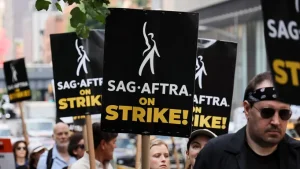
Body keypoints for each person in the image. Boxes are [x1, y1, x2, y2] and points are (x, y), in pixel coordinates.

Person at [193, 71, 300, 169]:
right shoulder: (215, 153)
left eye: (284, 113)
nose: (276, 121)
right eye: (267, 112)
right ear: (247, 109)